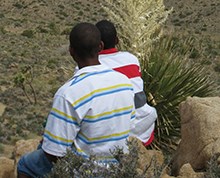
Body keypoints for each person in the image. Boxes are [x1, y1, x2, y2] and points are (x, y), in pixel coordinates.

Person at [17, 22, 135, 178]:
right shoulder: (124, 82)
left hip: (84, 171)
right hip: (118, 167)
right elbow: (130, 126)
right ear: (100, 46)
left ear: (71, 51)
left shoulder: (69, 93)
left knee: (25, 164)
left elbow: (54, 154)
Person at [96, 20, 157, 146]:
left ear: (97, 44)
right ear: (117, 40)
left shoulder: (92, 65)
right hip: (143, 124)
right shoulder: (131, 59)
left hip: (114, 131)